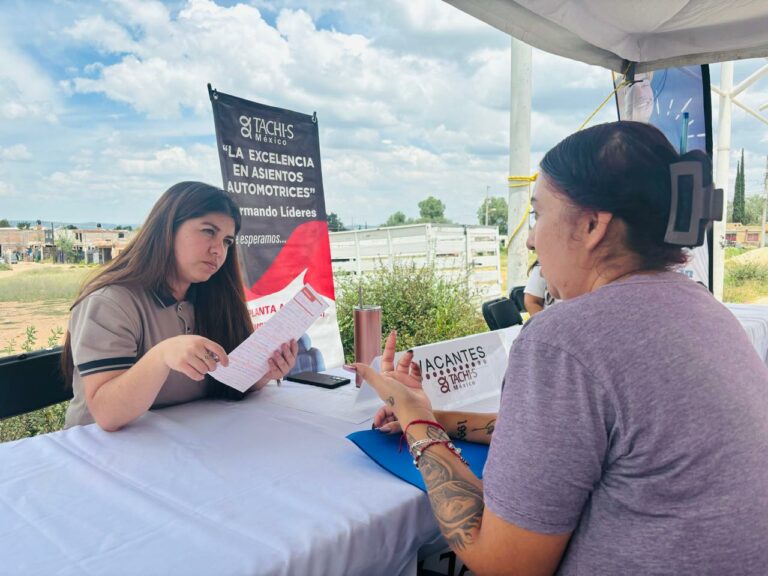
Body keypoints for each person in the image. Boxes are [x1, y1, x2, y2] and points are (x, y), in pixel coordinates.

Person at [355, 121, 768, 575]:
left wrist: (415, 421)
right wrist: (437, 418)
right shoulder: (707, 310)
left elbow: (504, 563)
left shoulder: (564, 340)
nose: (531, 239)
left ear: (592, 225)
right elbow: (583, 443)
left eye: (538, 214)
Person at [62, 182, 298, 431]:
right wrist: (163, 355)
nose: (218, 250)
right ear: (167, 229)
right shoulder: (110, 303)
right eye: (208, 231)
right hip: (100, 453)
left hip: (185, 442)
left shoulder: (212, 299)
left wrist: (263, 373)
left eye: (227, 241)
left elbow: (222, 384)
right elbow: (107, 414)